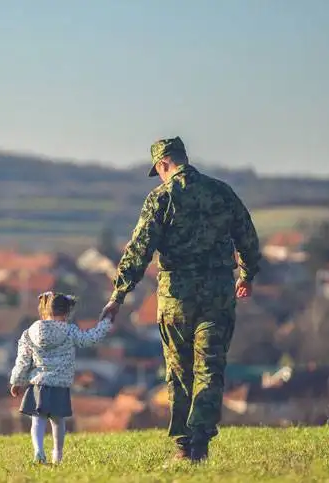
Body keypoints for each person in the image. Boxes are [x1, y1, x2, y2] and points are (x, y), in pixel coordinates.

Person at [99, 136, 261, 463]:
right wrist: (246, 275)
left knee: (180, 372)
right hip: (217, 294)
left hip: (177, 299)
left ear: (163, 164)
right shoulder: (221, 192)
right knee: (210, 369)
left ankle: (184, 449)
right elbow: (248, 238)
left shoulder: (162, 197)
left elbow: (139, 250)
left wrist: (118, 294)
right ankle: (201, 444)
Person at [9, 291, 114, 465]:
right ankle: (57, 456)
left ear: (45, 310)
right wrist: (106, 323)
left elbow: (23, 361)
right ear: (66, 313)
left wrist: (16, 382)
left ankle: (39, 452)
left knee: (38, 420)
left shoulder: (29, 333)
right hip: (59, 385)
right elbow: (90, 339)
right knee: (58, 423)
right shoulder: (70, 331)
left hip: (38, 384)